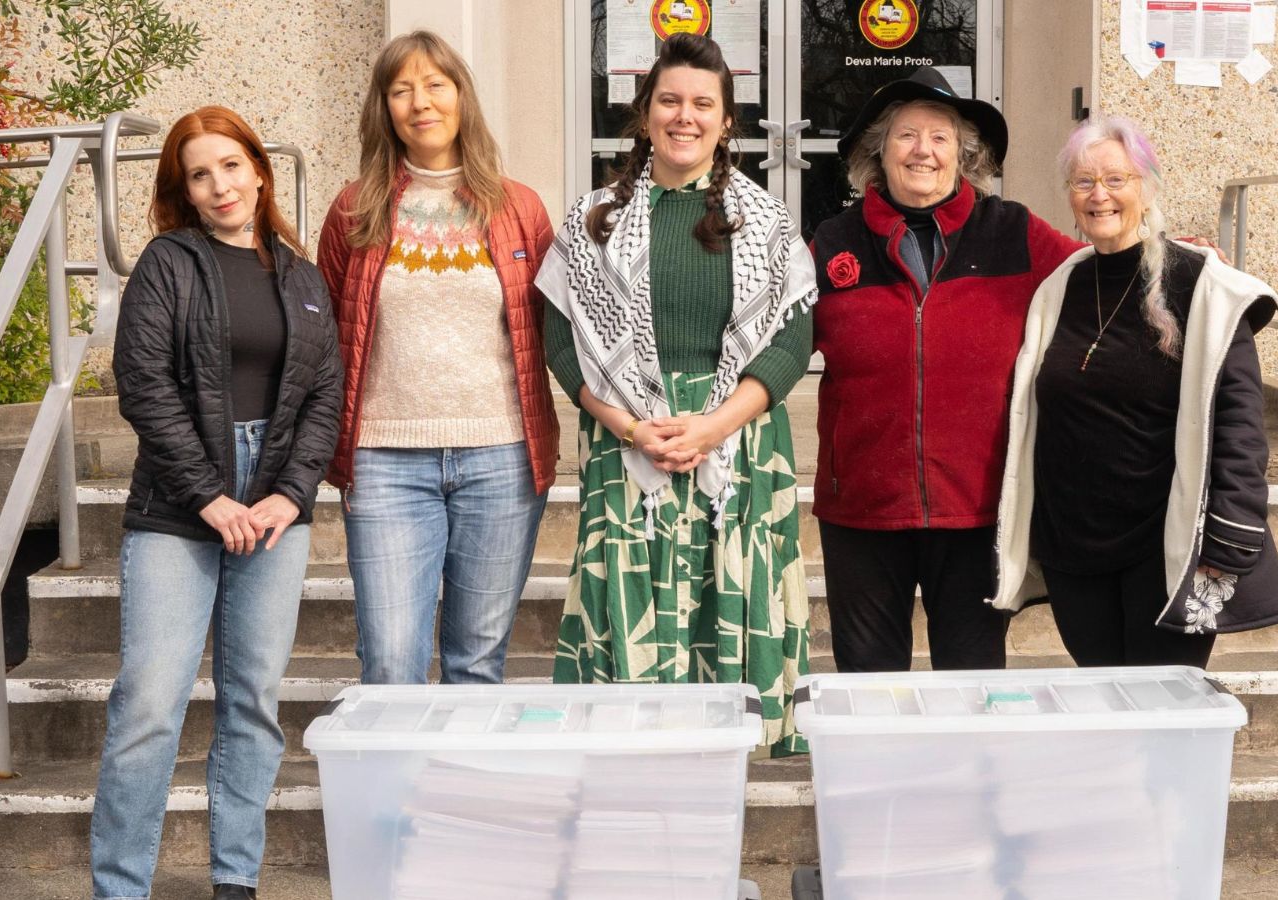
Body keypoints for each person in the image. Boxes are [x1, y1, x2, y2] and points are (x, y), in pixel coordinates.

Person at [537, 33, 816, 754]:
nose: (684, 116)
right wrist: (633, 430)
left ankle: (729, 776)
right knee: (631, 599)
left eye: (702, 103)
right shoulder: (593, 220)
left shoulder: (768, 221)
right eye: (669, 100)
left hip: (738, 444)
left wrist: (714, 426)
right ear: (645, 113)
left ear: (727, 122)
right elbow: (562, 343)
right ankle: (633, 768)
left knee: (729, 594)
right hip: (630, 441)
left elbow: (792, 340)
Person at [91, 106, 342, 900]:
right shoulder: (168, 264)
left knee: (252, 700)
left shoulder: (301, 277)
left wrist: (286, 496)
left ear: (259, 170)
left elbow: (324, 397)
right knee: (151, 704)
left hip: (274, 503)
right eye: (200, 174)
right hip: (179, 504)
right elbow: (146, 386)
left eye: (231, 166)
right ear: (184, 190)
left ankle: (237, 880)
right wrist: (210, 497)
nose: (220, 185)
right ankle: (120, 886)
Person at [989, 115, 1278, 665]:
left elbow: (1239, 424)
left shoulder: (1201, 284)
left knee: (1164, 711)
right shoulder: (1058, 287)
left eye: (1116, 179)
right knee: (1104, 700)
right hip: (1072, 548)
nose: (1098, 195)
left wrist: (1231, 533)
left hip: (1165, 547)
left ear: (1147, 187)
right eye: (1083, 182)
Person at [809, 67, 1084, 673]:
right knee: (867, 682)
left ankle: (964, 775)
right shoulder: (833, 243)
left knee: (971, 678)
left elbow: (1098, 276)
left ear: (965, 154)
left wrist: (1173, 255)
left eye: (940, 137)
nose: (923, 151)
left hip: (975, 507)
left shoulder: (1013, 232)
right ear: (878, 149)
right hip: (862, 506)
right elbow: (769, 341)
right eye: (907, 135)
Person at [317, 30, 558, 685]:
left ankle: (456, 791)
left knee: (476, 662)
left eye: (434, 84)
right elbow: (328, 337)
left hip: (501, 457)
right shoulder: (352, 209)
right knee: (391, 661)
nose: (420, 102)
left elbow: (553, 330)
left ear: (460, 96)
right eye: (401, 89)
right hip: (384, 460)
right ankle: (391, 792)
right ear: (384, 107)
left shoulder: (519, 208)